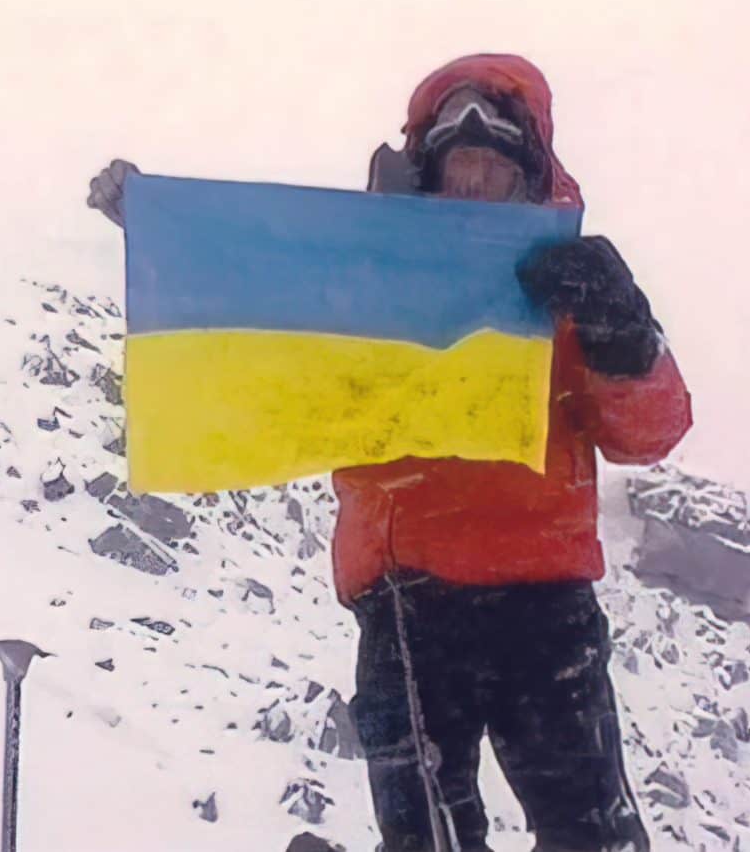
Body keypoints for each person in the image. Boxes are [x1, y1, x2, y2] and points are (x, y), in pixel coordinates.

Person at [88, 52, 691, 852]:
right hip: (408, 606)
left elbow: (652, 432)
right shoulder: (364, 279)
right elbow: (266, 303)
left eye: (493, 168)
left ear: (529, 176)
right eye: (459, 166)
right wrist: (168, 229)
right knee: (427, 841)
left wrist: (626, 332)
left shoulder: (565, 284)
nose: (473, 185)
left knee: (594, 840)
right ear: (427, 172)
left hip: (541, 607)